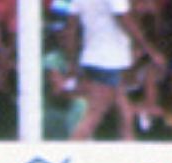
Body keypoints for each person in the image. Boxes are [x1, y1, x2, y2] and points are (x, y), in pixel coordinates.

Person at [68, 0, 164, 139]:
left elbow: (71, 27)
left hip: (93, 57)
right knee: (95, 113)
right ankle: (72, 151)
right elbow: (124, 19)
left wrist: (72, 61)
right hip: (108, 60)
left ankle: (128, 150)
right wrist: (149, 49)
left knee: (124, 111)